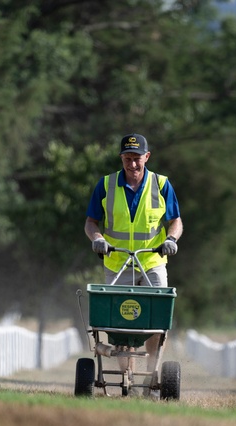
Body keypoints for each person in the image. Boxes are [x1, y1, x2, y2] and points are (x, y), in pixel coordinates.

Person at [84, 133, 184, 386]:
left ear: (147, 157)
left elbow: (175, 221)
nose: (132, 164)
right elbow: (91, 222)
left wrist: (171, 240)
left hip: (151, 262)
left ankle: (152, 375)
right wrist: (97, 238)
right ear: (121, 159)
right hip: (117, 263)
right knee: (120, 324)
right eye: (127, 158)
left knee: (156, 320)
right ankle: (127, 377)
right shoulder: (106, 185)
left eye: (137, 158)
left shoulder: (161, 184)